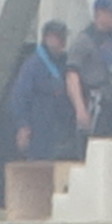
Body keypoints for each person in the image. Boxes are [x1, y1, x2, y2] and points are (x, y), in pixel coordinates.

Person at [10, 22, 80, 162]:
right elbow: (20, 97)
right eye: (59, 37)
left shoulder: (65, 62)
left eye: (64, 38)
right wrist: (23, 126)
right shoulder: (33, 65)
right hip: (40, 129)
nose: (63, 42)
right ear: (47, 38)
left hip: (62, 130)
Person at [66, 0, 112, 142]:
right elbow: (72, 76)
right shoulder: (84, 41)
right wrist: (80, 109)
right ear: (99, 13)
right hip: (95, 104)